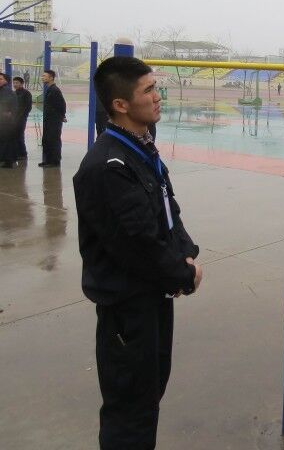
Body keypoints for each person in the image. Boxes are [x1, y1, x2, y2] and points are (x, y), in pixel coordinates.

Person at [73, 56, 203, 448]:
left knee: (148, 397)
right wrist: (183, 274)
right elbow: (138, 244)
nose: (158, 96)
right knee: (130, 412)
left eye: (155, 87)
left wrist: (186, 252)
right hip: (128, 309)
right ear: (120, 104)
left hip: (152, 298)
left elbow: (167, 208)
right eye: (148, 90)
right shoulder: (107, 166)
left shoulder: (140, 150)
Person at [39, 69, 66, 168]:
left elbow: (62, 104)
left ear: (51, 78)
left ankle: (54, 161)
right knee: (47, 140)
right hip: (49, 120)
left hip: (54, 121)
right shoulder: (50, 89)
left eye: (44, 76)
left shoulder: (55, 90)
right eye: (42, 76)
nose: (42, 78)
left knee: (53, 140)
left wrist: (62, 116)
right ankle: (48, 160)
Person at [0, 73, 18, 168]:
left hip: (6, 122)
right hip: (5, 121)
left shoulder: (6, 91)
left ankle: (8, 161)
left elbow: (6, 106)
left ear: (6, 81)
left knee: (6, 142)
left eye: (0, 79)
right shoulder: (3, 91)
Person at [12, 76, 32, 161]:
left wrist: (22, 116)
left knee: (19, 135)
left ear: (22, 83)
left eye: (17, 83)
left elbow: (28, 107)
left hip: (21, 119)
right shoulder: (13, 93)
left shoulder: (26, 93)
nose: (15, 84)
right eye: (14, 83)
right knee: (15, 136)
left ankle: (23, 154)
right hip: (13, 118)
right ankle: (16, 153)